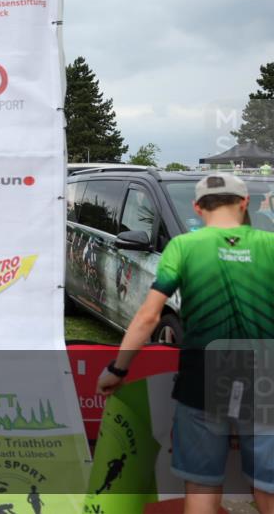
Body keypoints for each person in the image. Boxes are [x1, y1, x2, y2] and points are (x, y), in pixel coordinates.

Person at [96, 173, 274, 513]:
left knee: (202, 488)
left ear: (197, 207)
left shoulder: (183, 246)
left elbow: (148, 317)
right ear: (244, 203)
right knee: (269, 486)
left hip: (202, 378)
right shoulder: (270, 245)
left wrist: (118, 369)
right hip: (265, 376)